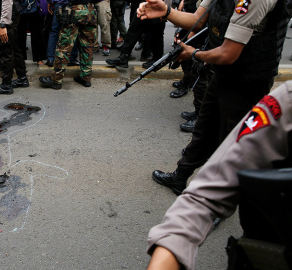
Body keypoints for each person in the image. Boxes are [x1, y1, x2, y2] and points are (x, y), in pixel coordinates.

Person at [136, 0, 289, 195]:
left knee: (232, 144)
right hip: (223, 73)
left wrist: (195, 54)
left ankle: (218, 201)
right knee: (204, 128)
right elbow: (196, 19)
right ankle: (180, 177)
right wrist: (166, 11)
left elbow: (228, 54)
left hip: (248, 81)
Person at [146, 81, 292, 270]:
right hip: (230, 87)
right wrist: (170, 249)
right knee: (205, 134)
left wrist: (195, 55)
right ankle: (180, 176)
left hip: (238, 89)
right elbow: (209, 191)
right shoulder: (287, 101)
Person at [39, 0, 99, 90]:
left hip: (74, 10)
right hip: (90, 10)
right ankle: (85, 77)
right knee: (87, 46)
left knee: (64, 46)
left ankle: (56, 79)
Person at [105, 0, 165, 69]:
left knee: (156, 31)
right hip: (144, 3)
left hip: (157, 4)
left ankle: (157, 59)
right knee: (134, 27)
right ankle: (124, 56)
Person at [0, 0, 29, 94]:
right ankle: (22, 78)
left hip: (6, 14)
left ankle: (6, 85)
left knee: (5, 49)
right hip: (10, 13)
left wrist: (3, 24)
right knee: (14, 48)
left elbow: (6, 1)